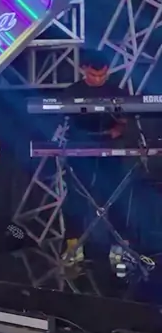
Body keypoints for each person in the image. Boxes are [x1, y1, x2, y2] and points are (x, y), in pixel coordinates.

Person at [61, 50, 130, 261]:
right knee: (75, 196)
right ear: (83, 69)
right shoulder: (72, 92)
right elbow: (61, 119)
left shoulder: (117, 92)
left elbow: (126, 119)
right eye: (93, 75)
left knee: (115, 195)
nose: (98, 80)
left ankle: (119, 246)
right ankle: (73, 245)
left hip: (109, 146)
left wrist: (119, 128)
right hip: (79, 145)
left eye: (102, 75)